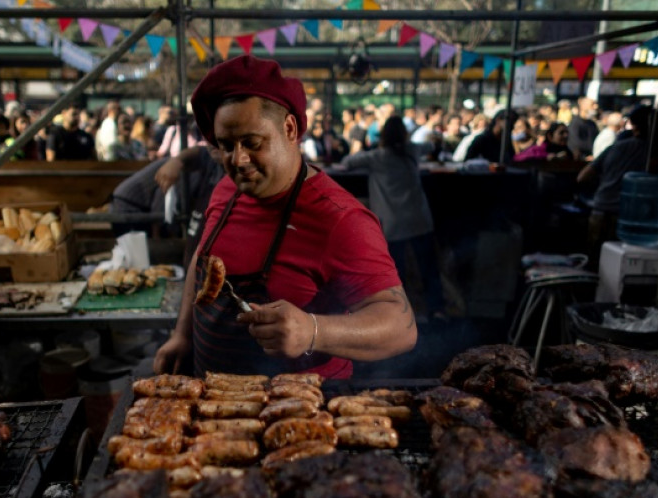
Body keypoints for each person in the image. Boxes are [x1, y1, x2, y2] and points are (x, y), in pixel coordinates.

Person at [153, 55, 417, 378]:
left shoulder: (340, 219)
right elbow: (204, 258)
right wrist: (182, 335)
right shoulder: (227, 189)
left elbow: (401, 327)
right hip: (213, 406)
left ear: (289, 128)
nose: (238, 160)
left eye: (252, 143)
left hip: (301, 415)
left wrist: (312, 330)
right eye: (225, 145)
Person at [339, 116, 445, 322]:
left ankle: (400, 315)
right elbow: (431, 145)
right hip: (419, 219)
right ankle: (437, 309)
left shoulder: (376, 157)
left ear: (384, 135)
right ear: (404, 134)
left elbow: (347, 162)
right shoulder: (412, 150)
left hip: (392, 224)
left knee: (396, 274)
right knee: (428, 268)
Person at [576, 105, 653, 267]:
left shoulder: (615, 147)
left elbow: (583, 177)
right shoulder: (652, 152)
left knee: (593, 261)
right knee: (615, 265)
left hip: (600, 208)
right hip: (626, 217)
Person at [568, 96, 599, 160]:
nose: (596, 107)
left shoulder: (592, 124)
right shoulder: (575, 123)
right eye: (592, 104)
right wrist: (584, 157)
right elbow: (574, 144)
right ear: (582, 106)